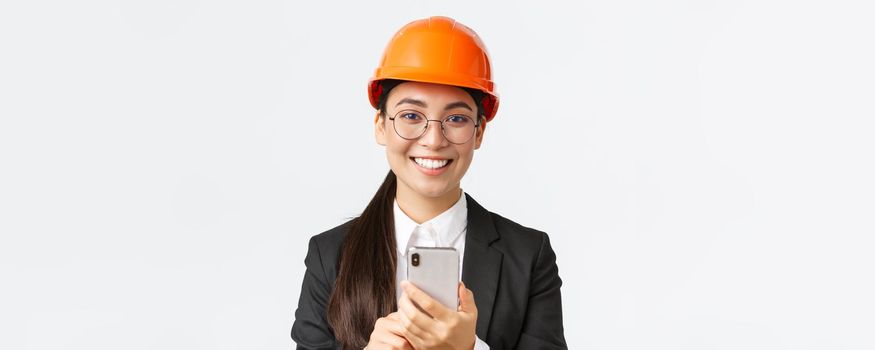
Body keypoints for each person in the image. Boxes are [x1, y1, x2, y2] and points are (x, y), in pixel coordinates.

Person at [291, 16, 567, 350]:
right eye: (411, 116)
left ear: (478, 132)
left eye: (456, 119)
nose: (434, 140)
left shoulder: (527, 256)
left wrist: (469, 349)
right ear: (380, 125)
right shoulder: (330, 256)